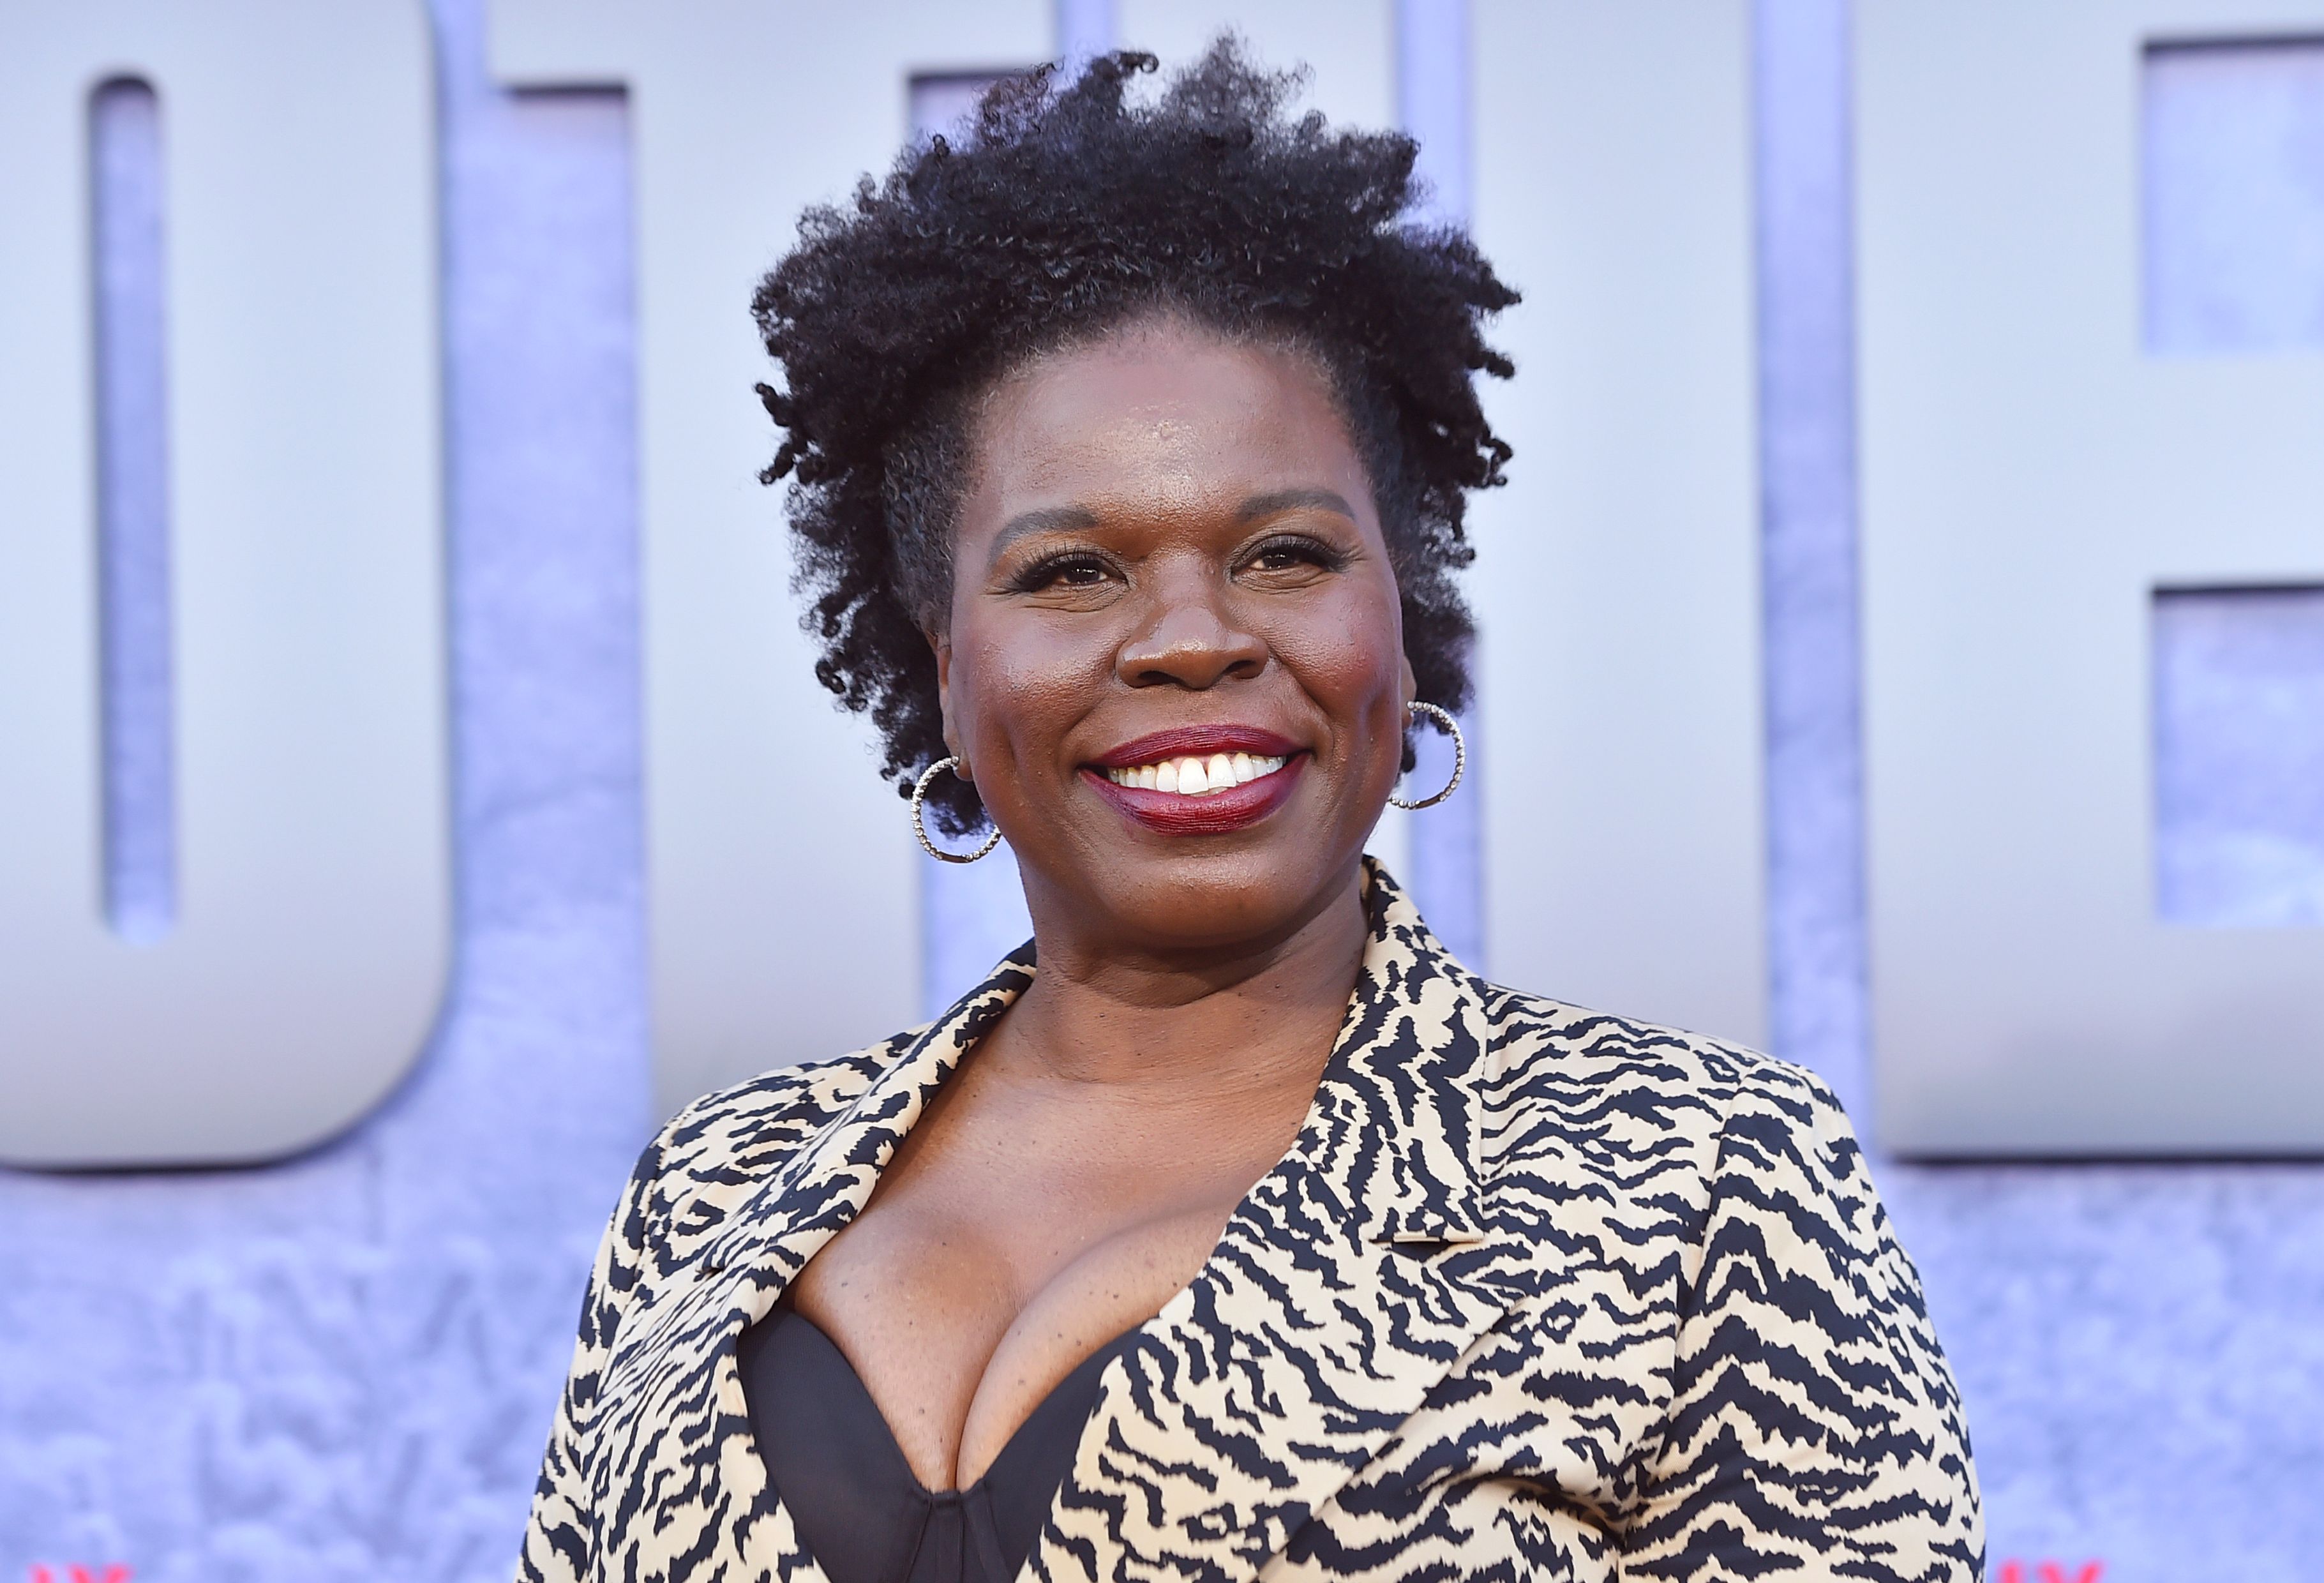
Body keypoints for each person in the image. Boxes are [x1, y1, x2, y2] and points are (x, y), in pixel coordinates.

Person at [518, 44, 1981, 1583]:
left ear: (1399, 621)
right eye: (1070, 571)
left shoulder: (1702, 1181)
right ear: (947, 667)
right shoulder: (712, 1188)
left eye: (1284, 553)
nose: (1192, 636)